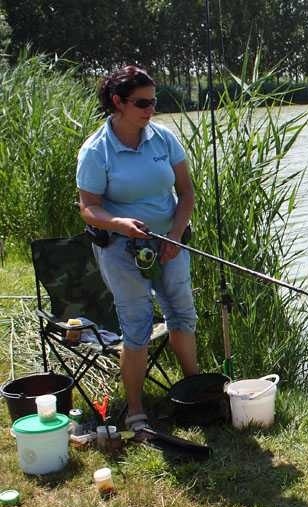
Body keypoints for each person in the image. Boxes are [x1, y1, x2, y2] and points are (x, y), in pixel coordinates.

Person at [76, 65, 199, 431]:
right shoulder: (97, 151)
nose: (151, 110)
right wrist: (118, 224)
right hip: (120, 250)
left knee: (182, 314)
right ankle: (135, 409)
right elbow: (89, 207)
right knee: (136, 326)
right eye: (142, 103)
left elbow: (187, 193)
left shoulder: (163, 139)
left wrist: (175, 236)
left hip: (169, 244)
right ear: (118, 102)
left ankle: (194, 388)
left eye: (154, 101)